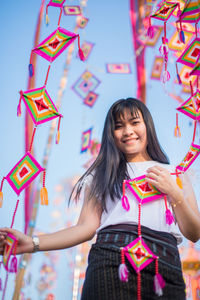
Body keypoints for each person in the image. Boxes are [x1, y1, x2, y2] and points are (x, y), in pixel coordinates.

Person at [0, 98, 200, 300]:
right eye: (119, 126)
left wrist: (174, 193)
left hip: (165, 267)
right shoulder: (100, 176)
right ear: (111, 134)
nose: (128, 131)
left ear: (148, 125)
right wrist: (32, 243)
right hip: (110, 262)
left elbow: (195, 232)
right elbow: (84, 228)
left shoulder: (175, 174)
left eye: (134, 122)